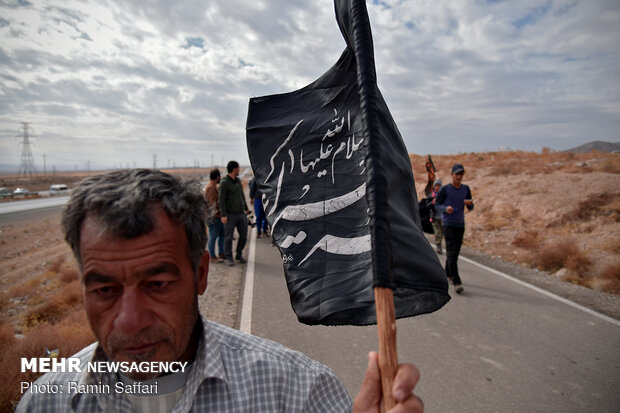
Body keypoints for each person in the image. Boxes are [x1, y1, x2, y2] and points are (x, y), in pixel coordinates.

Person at [16, 169, 424, 412]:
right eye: (104, 290)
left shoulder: (296, 393)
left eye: (157, 285)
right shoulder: (46, 401)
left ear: (200, 275)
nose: (130, 321)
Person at [435, 164, 474, 294]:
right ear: (452, 175)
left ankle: (447, 273)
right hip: (448, 223)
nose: (459, 176)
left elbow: (470, 206)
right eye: (457, 174)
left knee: (455, 252)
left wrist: (470, 205)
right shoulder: (445, 189)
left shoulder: (465, 189)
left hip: (460, 224)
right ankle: (456, 281)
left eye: (461, 174)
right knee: (451, 252)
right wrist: (445, 209)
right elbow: (437, 205)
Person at [219, 161, 250, 266]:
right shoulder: (224, 183)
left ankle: (239, 254)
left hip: (241, 214)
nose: (239, 170)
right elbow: (221, 200)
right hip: (230, 215)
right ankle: (229, 257)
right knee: (228, 238)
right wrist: (223, 215)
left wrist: (246, 208)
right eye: (238, 168)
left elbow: (241, 196)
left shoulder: (238, 181)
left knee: (244, 235)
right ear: (234, 169)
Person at [204, 168, 225, 263]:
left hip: (216, 216)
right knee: (213, 237)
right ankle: (212, 256)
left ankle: (221, 253)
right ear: (217, 177)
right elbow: (213, 204)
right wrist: (220, 213)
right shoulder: (212, 188)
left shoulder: (211, 186)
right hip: (214, 217)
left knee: (221, 235)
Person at [429, 179, 444, 254]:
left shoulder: (444, 196)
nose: (437, 187)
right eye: (436, 185)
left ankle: (439, 244)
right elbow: (427, 206)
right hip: (434, 217)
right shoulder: (432, 196)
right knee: (437, 232)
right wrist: (432, 203)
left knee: (441, 233)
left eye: (439, 185)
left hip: (442, 217)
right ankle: (438, 246)